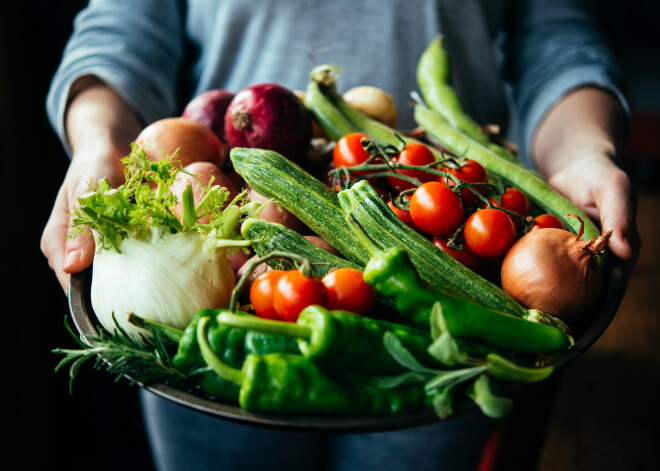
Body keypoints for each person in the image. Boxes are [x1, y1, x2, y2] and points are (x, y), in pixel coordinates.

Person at [41, 1, 640, 470]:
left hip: (451, 288)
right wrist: (98, 145)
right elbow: (121, 31)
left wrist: (586, 150)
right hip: (213, 277)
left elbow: (554, 39)